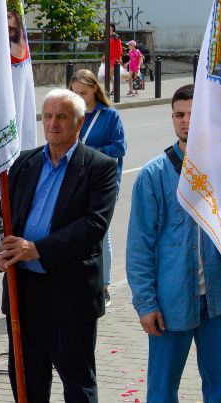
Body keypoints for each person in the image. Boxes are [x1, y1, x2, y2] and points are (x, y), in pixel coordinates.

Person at [0, 88, 119, 402]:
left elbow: (94, 224)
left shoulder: (99, 167)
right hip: (22, 292)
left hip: (69, 296)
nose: (52, 123)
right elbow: (1, 220)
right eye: (47, 116)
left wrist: (38, 249)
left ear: (78, 123)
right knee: (26, 382)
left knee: (78, 385)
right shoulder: (23, 164)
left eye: (62, 116)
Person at [127, 84, 221, 403]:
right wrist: (146, 303)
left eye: (194, 115)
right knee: (162, 391)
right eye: (179, 114)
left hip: (218, 298)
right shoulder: (153, 175)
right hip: (171, 302)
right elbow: (140, 248)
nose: (186, 121)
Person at [69, 69, 128, 308]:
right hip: (75, 182)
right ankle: (79, 281)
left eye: (84, 92)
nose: (80, 97)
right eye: (75, 93)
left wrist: (92, 152)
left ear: (95, 88)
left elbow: (120, 147)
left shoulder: (109, 115)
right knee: (75, 231)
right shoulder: (71, 114)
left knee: (101, 235)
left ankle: (103, 285)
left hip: (103, 183)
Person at [102, 23, 123, 93]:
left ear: (112, 28)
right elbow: (107, 47)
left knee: (112, 73)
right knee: (110, 74)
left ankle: (114, 89)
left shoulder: (116, 36)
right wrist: (104, 55)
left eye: (109, 26)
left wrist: (120, 58)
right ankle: (114, 88)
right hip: (109, 57)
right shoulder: (107, 36)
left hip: (115, 57)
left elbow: (119, 47)